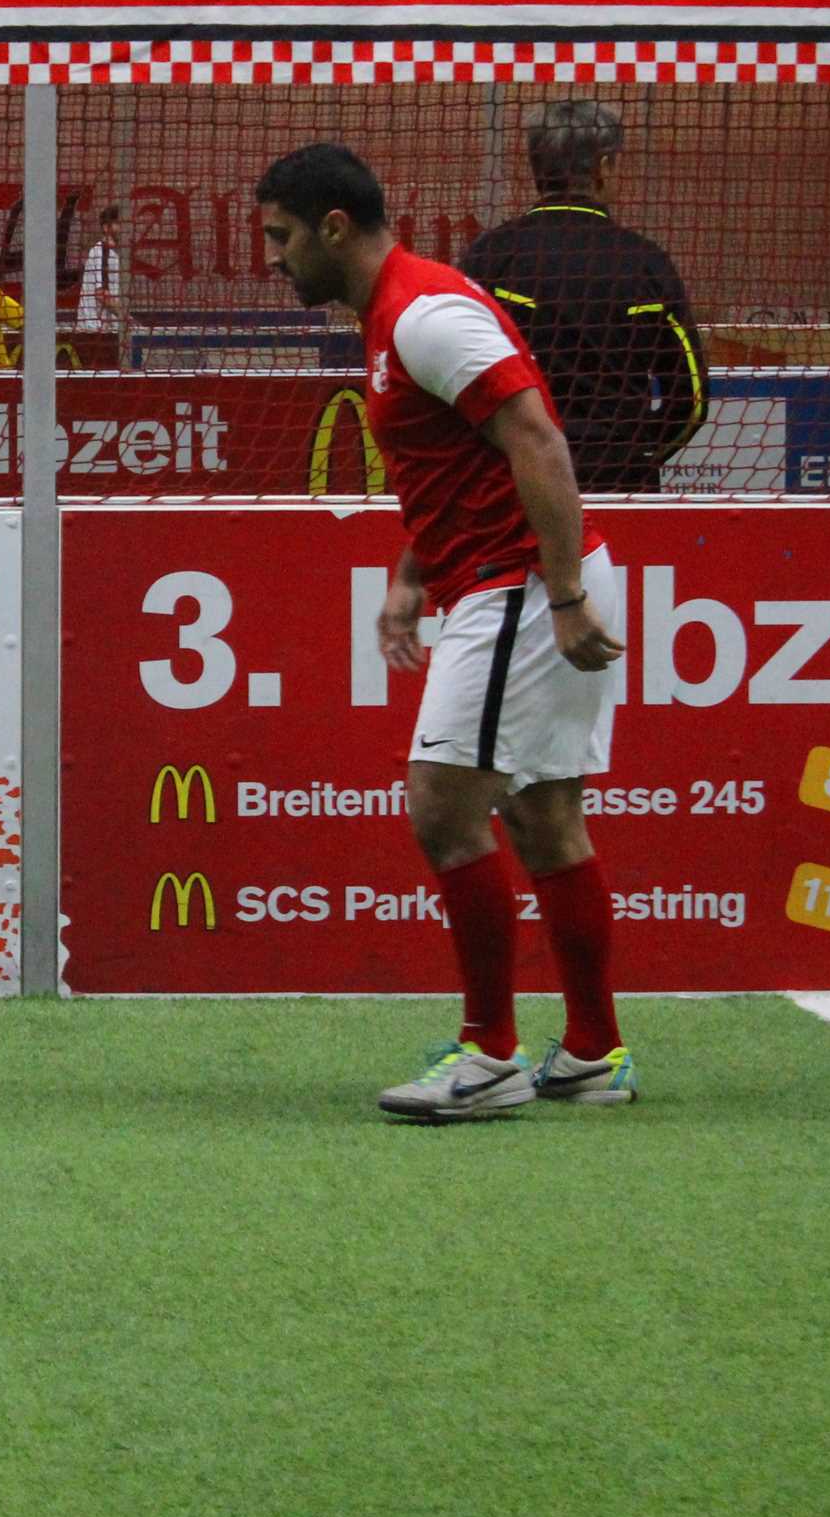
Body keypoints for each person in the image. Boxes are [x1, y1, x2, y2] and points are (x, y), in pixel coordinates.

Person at [255, 143, 636, 1121]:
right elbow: (458, 463)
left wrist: (561, 594)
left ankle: (489, 1056)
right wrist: (410, 575)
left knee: (441, 806)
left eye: (282, 236)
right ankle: (592, 1052)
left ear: (334, 226)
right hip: (508, 582)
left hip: (522, 588)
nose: (275, 257)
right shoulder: (397, 314)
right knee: (544, 818)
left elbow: (536, 437)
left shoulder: (424, 313)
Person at [460, 101, 710, 492]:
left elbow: (456, 376)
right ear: (604, 167)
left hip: (517, 486)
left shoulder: (489, 258)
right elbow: (691, 400)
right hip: (621, 486)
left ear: (537, 167)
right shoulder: (646, 264)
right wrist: (636, 455)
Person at [74, 203, 126, 334]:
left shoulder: (115, 255)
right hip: (93, 330)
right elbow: (101, 294)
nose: (124, 228)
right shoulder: (101, 252)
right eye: (119, 223)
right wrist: (126, 318)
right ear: (106, 227)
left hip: (106, 330)